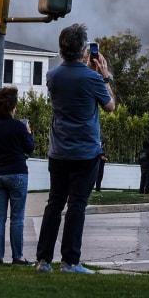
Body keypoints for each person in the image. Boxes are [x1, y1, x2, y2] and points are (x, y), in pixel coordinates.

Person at [36, 24, 115, 275]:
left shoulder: (52, 76)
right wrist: (103, 76)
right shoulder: (93, 78)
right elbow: (110, 106)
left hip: (58, 151)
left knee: (54, 203)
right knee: (77, 205)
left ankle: (43, 261)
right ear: (84, 50)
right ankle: (70, 261)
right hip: (86, 153)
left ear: (61, 49)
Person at [0, 86, 35, 266]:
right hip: (17, 173)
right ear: (13, 107)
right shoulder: (18, 126)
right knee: (17, 218)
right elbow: (29, 148)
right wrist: (28, 132)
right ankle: (18, 257)